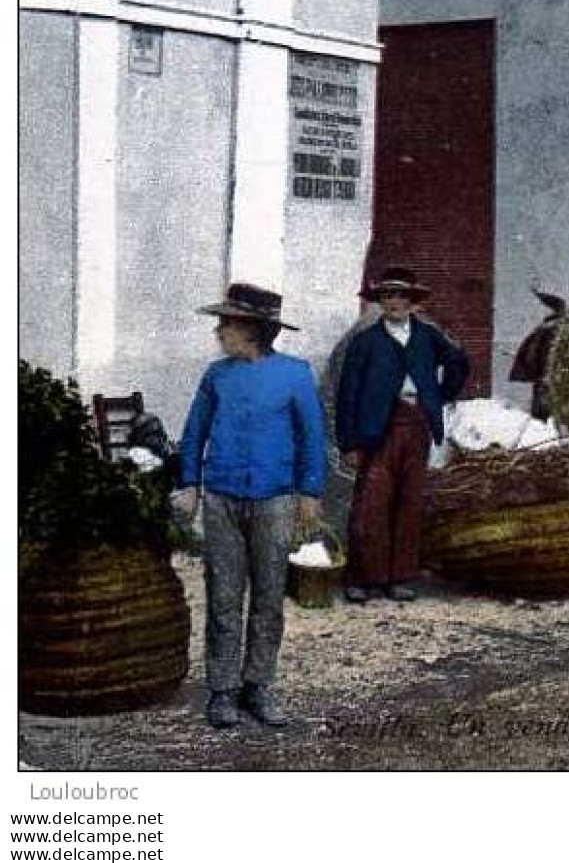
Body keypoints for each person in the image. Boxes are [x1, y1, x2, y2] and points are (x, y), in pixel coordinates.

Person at [177, 283, 326, 729]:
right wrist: (189, 484)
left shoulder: (295, 375)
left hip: (275, 500)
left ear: (254, 330)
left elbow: (311, 437)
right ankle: (222, 692)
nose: (220, 330)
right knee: (223, 597)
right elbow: (194, 431)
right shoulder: (216, 376)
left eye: (228, 323)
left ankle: (258, 686)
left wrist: (310, 492)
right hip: (222, 498)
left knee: (268, 598)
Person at [336, 266, 469, 604]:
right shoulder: (365, 342)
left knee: (409, 502)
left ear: (412, 302)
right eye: (387, 296)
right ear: (379, 302)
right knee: (371, 503)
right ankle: (362, 578)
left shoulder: (427, 335)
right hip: (378, 428)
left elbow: (457, 360)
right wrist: (349, 443)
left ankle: (397, 578)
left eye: (400, 296)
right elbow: (347, 393)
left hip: (418, 425)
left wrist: (439, 395)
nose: (394, 302)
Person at [509, 289, 566, 421]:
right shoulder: (553, 331)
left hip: (543, 378)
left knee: (542, 415)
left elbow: (532, 355)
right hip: (548, 378)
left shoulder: (546, 330)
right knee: (546, 415)